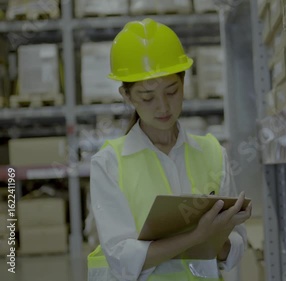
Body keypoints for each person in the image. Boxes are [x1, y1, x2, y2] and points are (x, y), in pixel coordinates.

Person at [87, 18, 252, 281]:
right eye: (147, 96)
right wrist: (196, 236)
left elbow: (234, 249)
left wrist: (221, 231)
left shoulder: (212, 153)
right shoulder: (109, 163)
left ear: (184, 83)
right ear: (126, 96)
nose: (163, 107)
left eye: (172, 91)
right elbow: (122, 259)